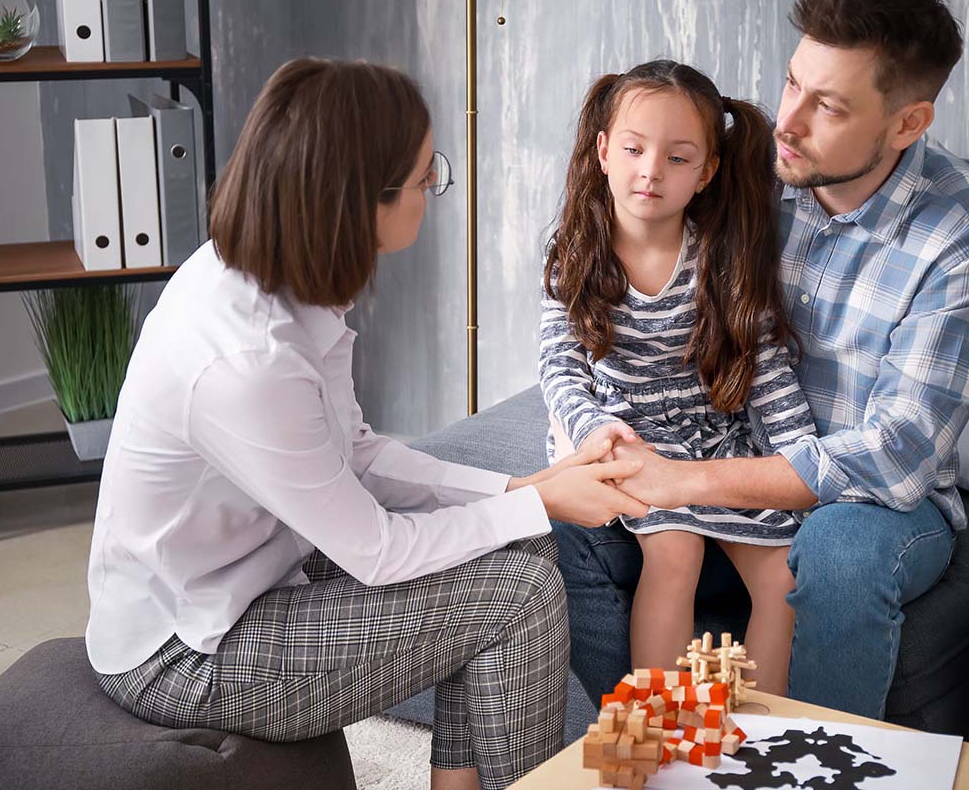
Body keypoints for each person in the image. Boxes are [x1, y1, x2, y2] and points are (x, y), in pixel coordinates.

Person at [85, 57, 649, 790]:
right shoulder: (245, 361)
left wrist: (521, 485)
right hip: (187, 649)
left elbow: (354, 454)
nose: (433, 189)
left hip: (253, 568)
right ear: (361, 201)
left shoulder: (284, 276)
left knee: (519, 549)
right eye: (424, 178)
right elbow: (376, 551)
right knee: (521, 589)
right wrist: (541, 501)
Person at [555, 0, 969, 721]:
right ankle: (652, 744)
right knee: (566, 508)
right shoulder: (744, 172)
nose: (788, 124)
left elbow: (898, 453)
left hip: (878, 499)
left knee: (834, 550)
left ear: (908, 122)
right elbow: (628, 259)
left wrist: (685, 480)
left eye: (827, 106)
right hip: (716, 440)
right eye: (793, 82)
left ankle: (790, 762)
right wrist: (597, 429)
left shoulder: (964, 233)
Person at [539, 60, 816, 694]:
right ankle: (655, 732)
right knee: (675, 553)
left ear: (706, 173)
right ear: (605, 151)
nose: (651, 171)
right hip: (629, 439)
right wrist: (595, 433)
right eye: (635, 149)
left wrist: (801, 457)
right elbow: (560, 364)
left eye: (678, 157)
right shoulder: (575, 247)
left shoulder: (722, 254)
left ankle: (758, 739)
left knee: (785, 580)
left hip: (717, 440)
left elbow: (765, 364)